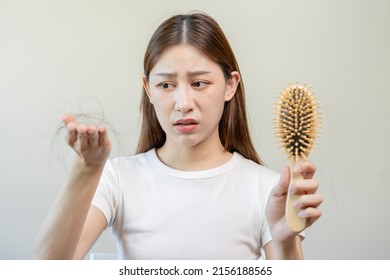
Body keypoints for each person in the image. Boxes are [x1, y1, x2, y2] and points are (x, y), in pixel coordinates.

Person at [34, 12, 322, 260]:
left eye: (199, 83)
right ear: (148, 89)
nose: (183, 102)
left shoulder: (266, 189)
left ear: (230, 85)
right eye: (166, 85)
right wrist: (86, 171)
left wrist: (284, 242)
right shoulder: (118, 178)